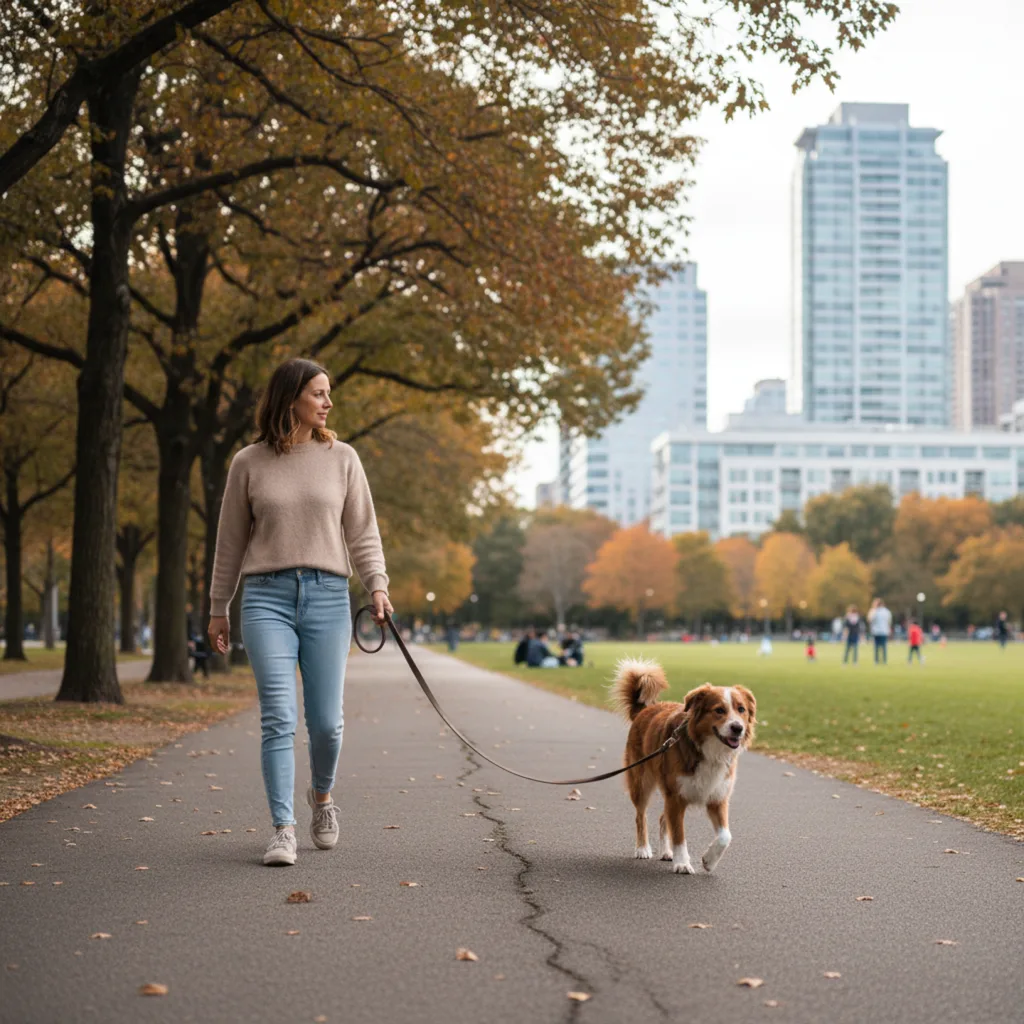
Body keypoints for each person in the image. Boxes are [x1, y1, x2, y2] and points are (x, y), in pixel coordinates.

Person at [207, 358, 392, 867]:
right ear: (291, 398)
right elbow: (229, 543)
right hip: (265, 597)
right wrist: (218, 607)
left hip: (329, 595)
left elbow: (363, 531)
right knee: (278, 718)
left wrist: (376, 585)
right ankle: (282, 828)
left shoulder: (343, 458)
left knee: (327, 724)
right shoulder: (247, 462)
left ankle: (323, 798)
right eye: (318, 393)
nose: (328, 402)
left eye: (328, 393)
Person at [870, 598, 892, 665]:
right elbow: (889, 621)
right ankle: (884, 660)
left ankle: (876, 661)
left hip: (876, 631)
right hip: (884, 631)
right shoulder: (887, 611)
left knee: (876, 647)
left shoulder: (875, 611)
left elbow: (870, 619)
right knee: (883, 647)